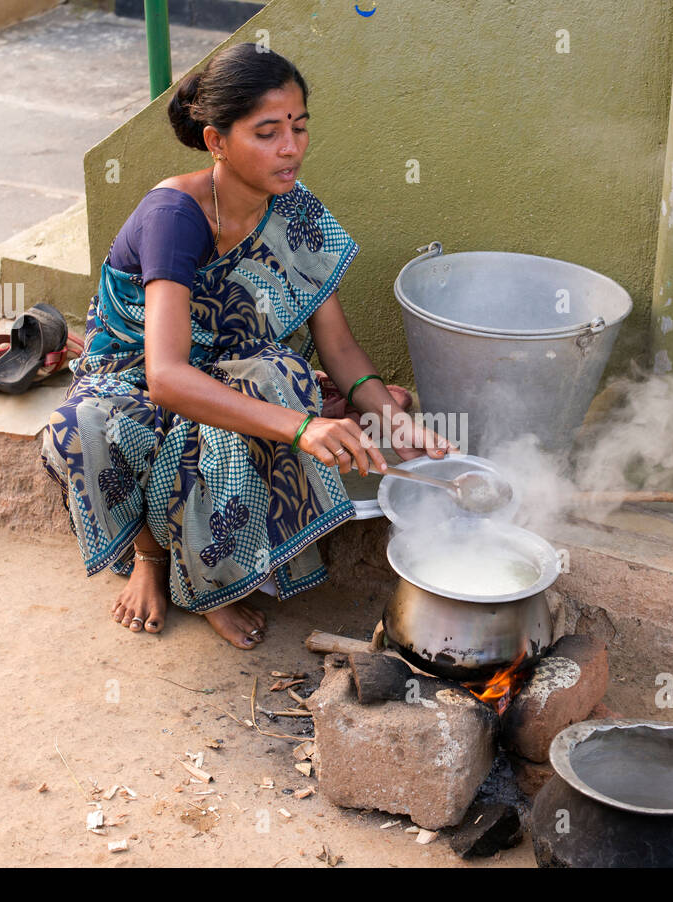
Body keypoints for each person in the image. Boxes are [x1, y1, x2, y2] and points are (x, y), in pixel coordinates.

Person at [40, 43, 454, 649]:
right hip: (133, 379)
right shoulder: (174, 217)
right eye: (267, 133)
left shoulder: (294, 207)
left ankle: (212, 576)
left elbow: (336, 345)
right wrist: (300, 428)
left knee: (282, 375)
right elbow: (166, 377)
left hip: (229, 369)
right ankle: (154, 557)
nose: (290, 148)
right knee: (85, 425)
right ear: (216, 141)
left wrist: (394, 422)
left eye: (299, 127)